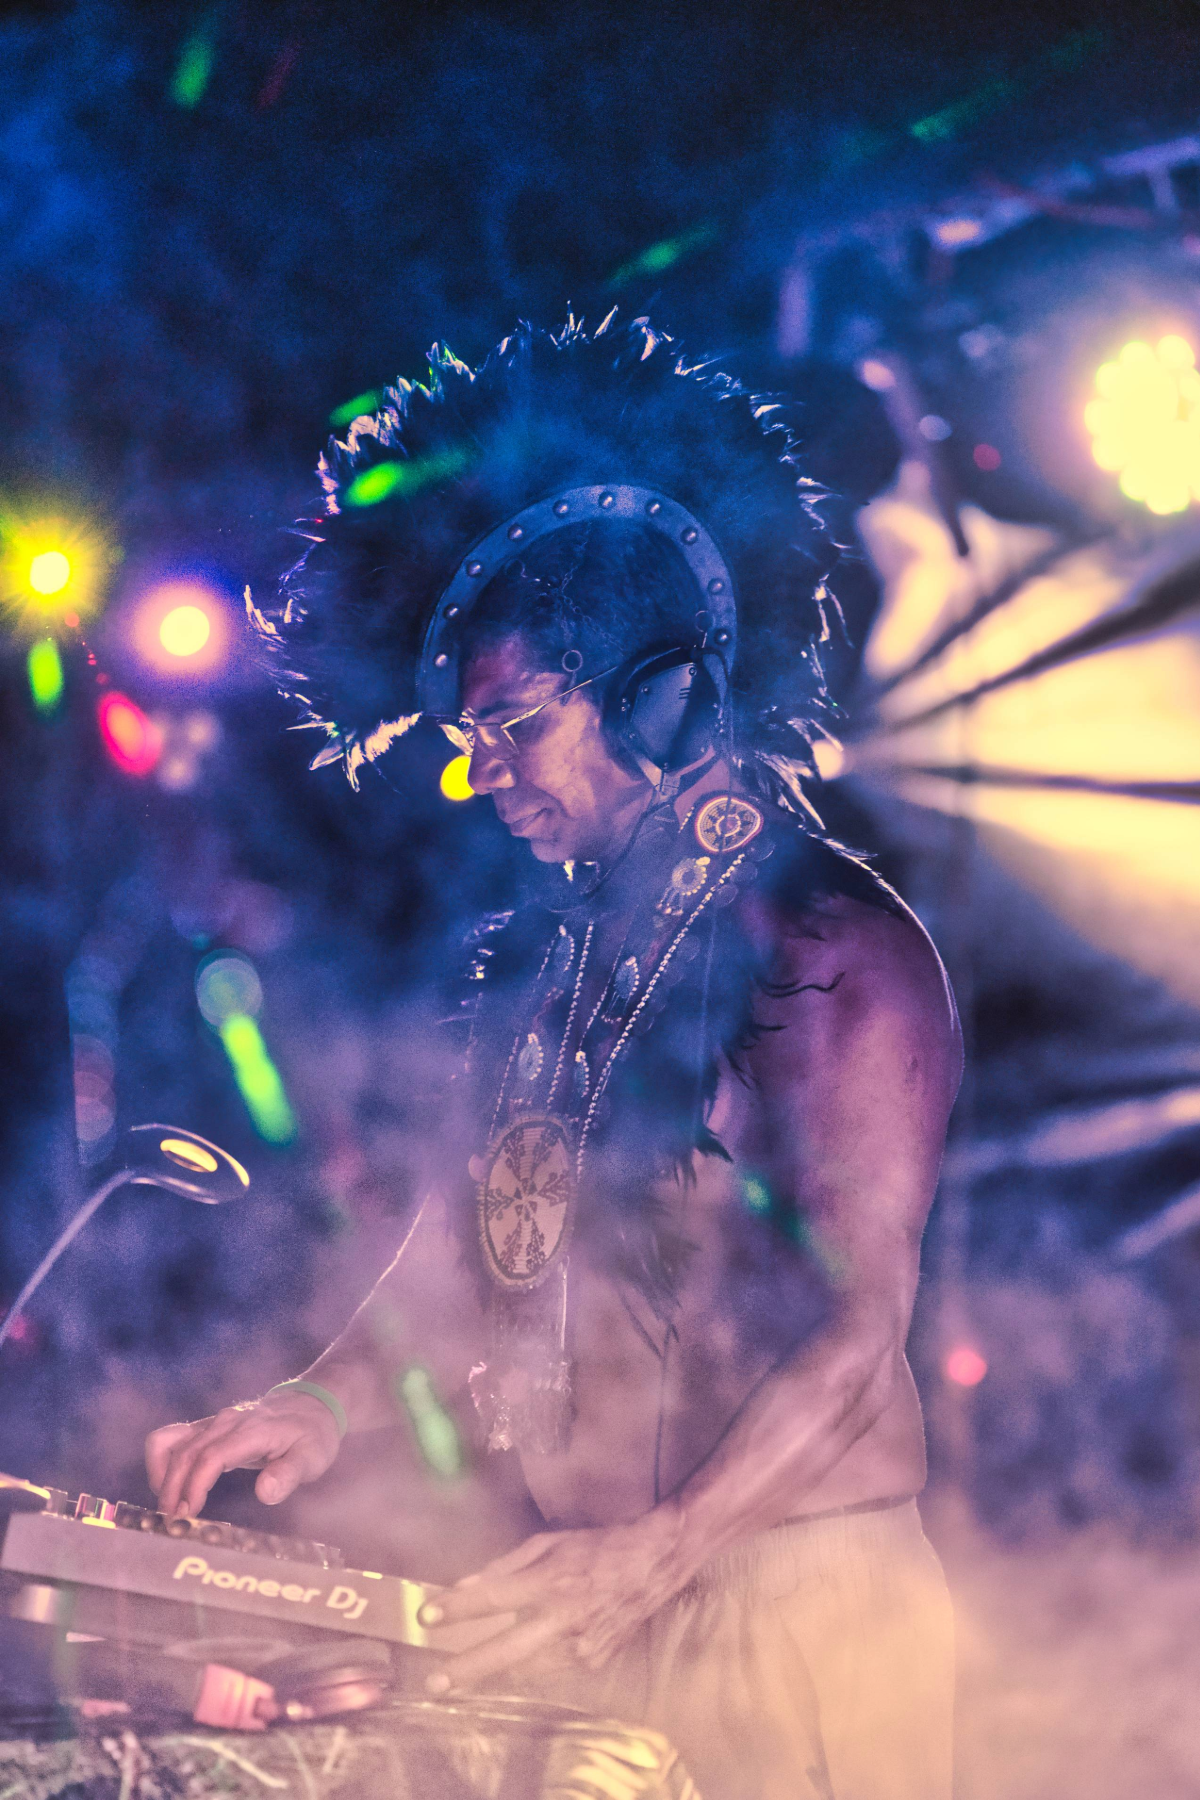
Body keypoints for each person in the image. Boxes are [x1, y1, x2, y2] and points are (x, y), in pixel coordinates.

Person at [146, 316, 961, 1800]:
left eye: (515, 724)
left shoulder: (831, 950)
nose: (480, 773)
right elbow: (480, 1249)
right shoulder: (555, 962)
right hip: (601, 1603)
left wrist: (655, 1555)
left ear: (663, 696)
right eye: (472, 735)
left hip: (793, 1610)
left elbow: (859, 1336)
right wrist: (319, 1396)